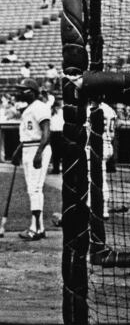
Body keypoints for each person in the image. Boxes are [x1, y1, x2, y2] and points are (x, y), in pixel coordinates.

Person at [14, 77, 51, 241]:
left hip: (38, 148)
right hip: (28, 147)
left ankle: (35, 228)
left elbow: (46, 132)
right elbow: (27, 136)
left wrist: (39, 153)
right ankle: (39, 228)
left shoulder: (40, 107)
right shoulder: (29, 108)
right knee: (32, 189)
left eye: (23, 90)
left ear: (33, 92)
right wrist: (17, 151)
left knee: (35, 189)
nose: (20, 92)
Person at [86, 97, 117, 219]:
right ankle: (102, 208)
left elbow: (87, 130)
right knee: (100, 176)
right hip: (108, 144)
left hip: (97, 146)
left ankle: (97, 208)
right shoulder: (110, 110)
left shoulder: (92, 109)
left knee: (94, 178)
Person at [49, 96, 64, 174]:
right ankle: (56, 169)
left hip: (61, 133)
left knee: (63, 152)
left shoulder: (63, 112)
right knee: (55, 153)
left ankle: (63, 168)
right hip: (54, 134)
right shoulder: (51, 113)